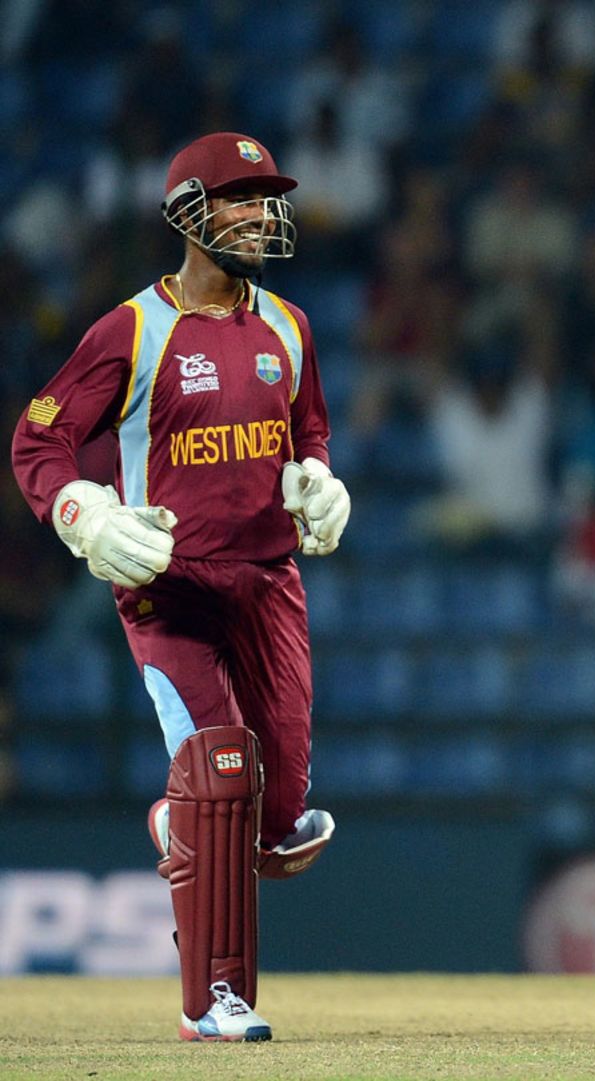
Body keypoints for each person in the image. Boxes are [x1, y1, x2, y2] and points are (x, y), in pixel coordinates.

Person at [11, 132, 351, 1043]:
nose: (259, 212)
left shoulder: (289, 324)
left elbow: (309, 430)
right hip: (171, 585)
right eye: (238, 197)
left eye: (265, 197)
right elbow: (37, 441)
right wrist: (81, 512)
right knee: (222, 773)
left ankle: (186, 815)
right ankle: (214, 999)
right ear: (188, 213)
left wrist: (321, 478)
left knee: (275, 820)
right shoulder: (132, 329)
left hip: (270, 582)